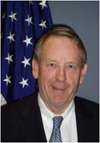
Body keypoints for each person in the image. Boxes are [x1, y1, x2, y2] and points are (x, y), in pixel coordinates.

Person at [1, 24, 99, 142]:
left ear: (82, 74)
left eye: (70, 66)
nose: (61, 77)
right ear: (35, 68)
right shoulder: (4, 122)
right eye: (52, 65)